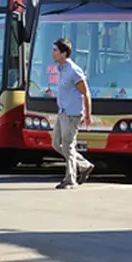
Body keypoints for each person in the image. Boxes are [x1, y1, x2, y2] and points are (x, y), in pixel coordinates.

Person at [51, 38, 94, 189]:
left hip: (72, 114)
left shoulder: (74, 70)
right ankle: (84, 165)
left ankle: (70, 179)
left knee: (68, 146)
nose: (53, 53)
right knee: (56, 144)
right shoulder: (61, 68)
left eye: (55, 50)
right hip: (62, 112)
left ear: (64, 53)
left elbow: (86, 93)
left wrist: (88, 115)